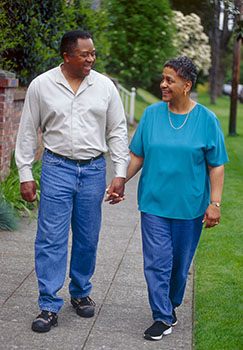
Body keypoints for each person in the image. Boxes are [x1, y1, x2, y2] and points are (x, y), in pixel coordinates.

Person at [106, 56, 229, 341]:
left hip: (190, 206)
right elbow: (138, 154)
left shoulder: (206, 120)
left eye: (169, 80)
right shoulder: (151, 114)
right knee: (157, 262)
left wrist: (215, 203)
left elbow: (217, 165)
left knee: (179, 267)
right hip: (154, 203)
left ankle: (171, 304)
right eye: (163, 78)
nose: (163, 84)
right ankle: (161, 316)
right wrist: (121, 179)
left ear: (186, 85)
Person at [15, 30, 129, 333]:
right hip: (56, 168)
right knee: (50, 238)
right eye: (85, 54)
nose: (91, 59)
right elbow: (28, 131)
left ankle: (80, 292)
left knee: (87, 238)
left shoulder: (105, 86)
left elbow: (117, 130)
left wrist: (119, 172)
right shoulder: (42, 85)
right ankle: (49, 305)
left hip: (93, 170)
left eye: (93, 53)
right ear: (67, 56)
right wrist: (25, 174)